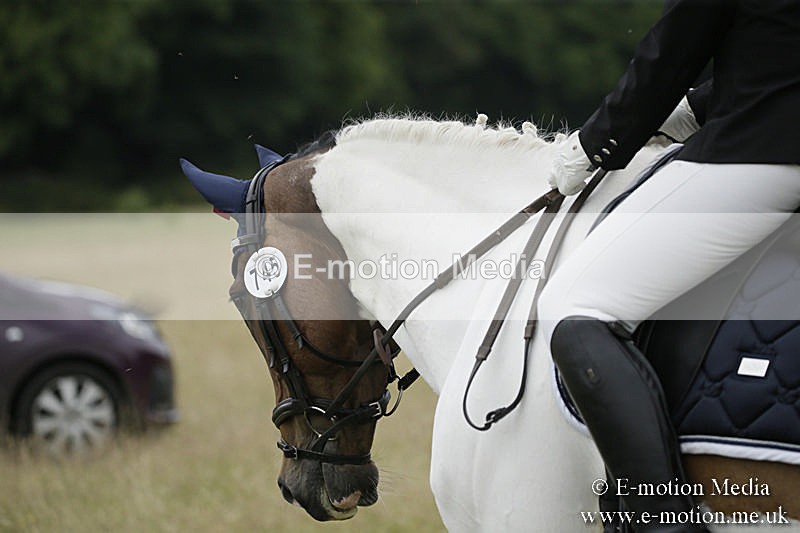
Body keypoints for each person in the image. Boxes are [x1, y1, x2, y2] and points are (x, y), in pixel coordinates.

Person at [539, 1, 800, 531]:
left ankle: (658, 516)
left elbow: (676, 44)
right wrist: (700, 106)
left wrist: (595, 142)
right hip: (769, 118)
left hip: (767, 150)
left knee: (572, 306)